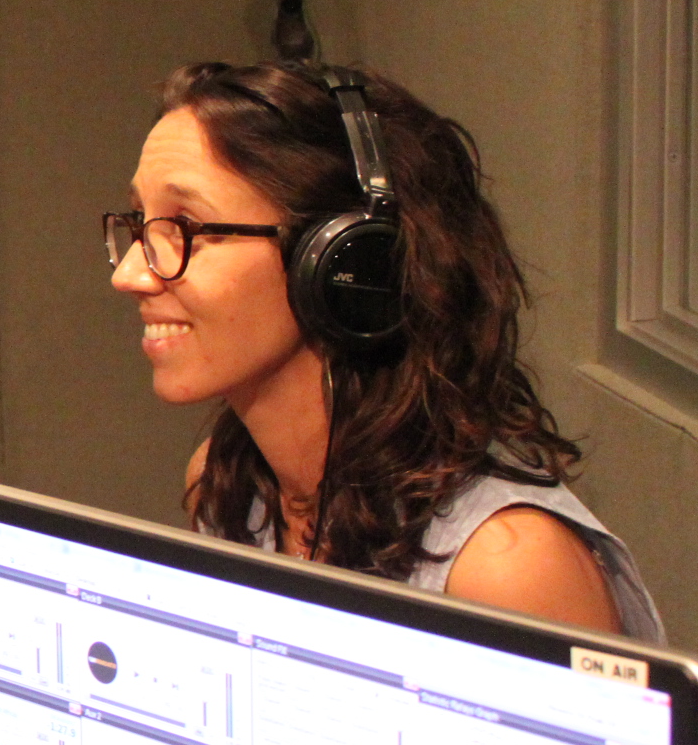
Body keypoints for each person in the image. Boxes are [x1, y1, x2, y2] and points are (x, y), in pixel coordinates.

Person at [107, 59, 662, 638]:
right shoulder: (229, 488)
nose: (129, 273)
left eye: (190, 227)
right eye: (140, 222)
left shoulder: (505, 568)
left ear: (348, 262)